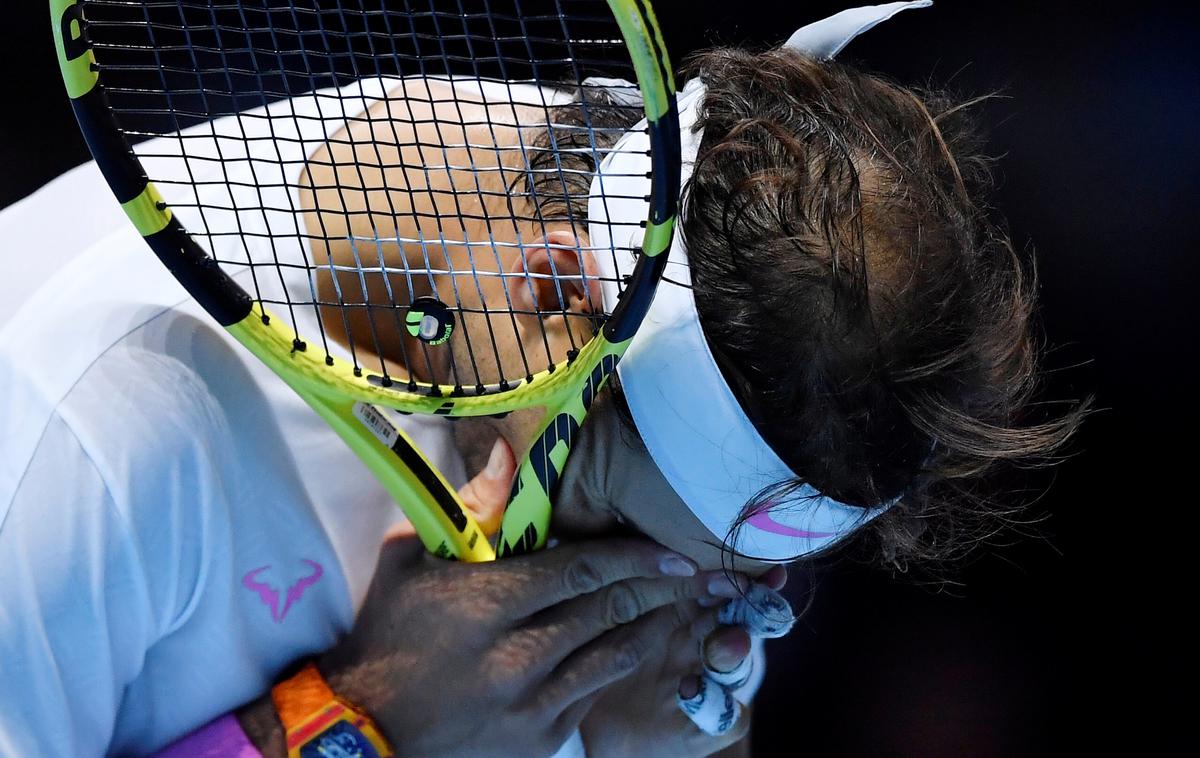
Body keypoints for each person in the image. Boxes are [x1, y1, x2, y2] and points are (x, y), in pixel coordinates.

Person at [0, 3, 1084, 756]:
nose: (640, 591)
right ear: (555, 283)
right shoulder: (87, 412)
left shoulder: (613, 250)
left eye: (725, 578)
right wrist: (357, 722)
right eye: (607, 525)